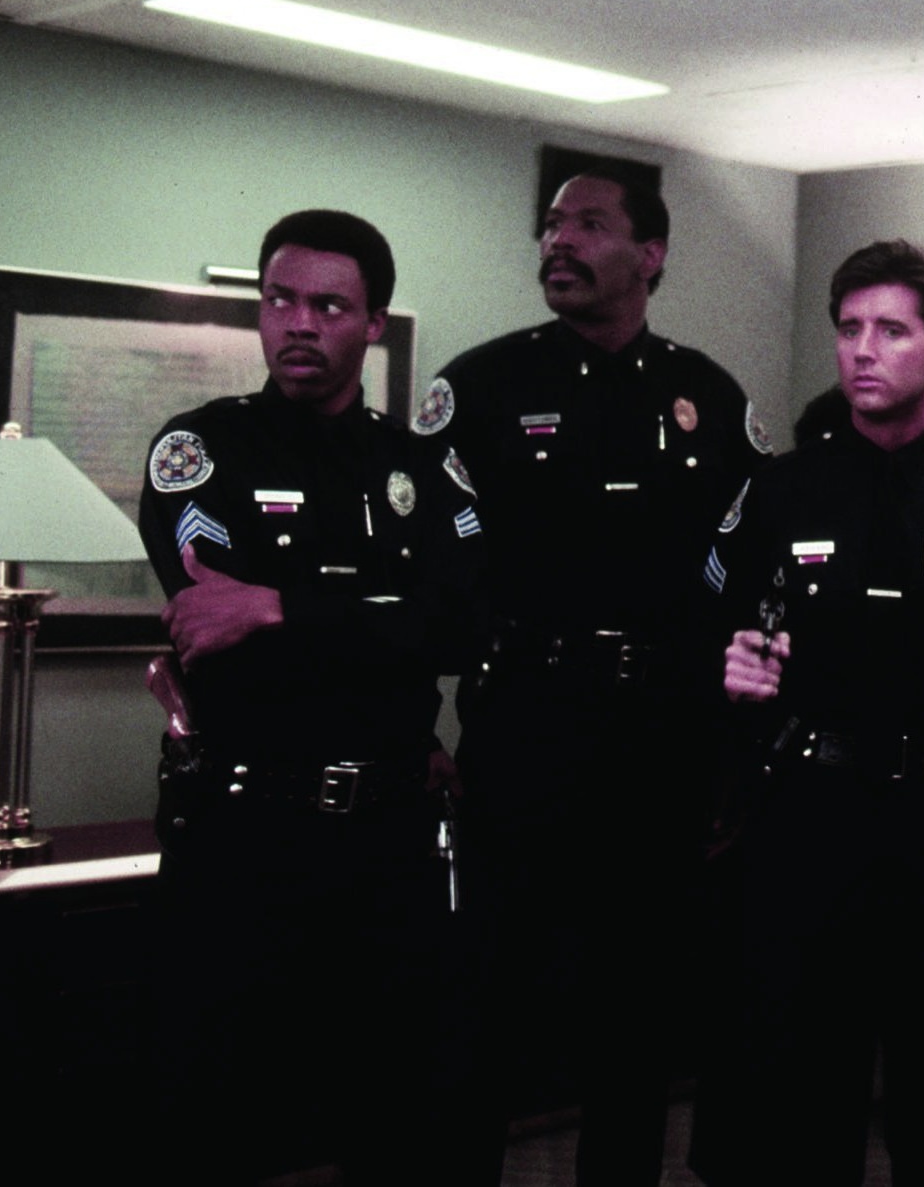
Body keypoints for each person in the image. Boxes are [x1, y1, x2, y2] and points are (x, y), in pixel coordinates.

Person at [415, 162, 768, 1183]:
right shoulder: (480, 387)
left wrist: (725, 746)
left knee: (634, 1018)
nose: (558, 241)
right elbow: (435, 558)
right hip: (524, 729)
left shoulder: (705, 395)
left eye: (590, 224)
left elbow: (739, 571)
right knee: (484, 1005)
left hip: (660, 742)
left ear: (649, 255)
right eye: (553, 224)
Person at [688, 239, 924, 1186]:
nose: (862, 349)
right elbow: (708, 630)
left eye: (890, 330)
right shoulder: (781, 490)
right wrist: (727, 668)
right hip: (812, 821)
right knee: (800, 1103)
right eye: (849, 328)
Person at [137, 209, 480, 1183]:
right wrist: (377, 619)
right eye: (280, 299)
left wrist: (280, 605)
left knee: (389, 1111)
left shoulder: (417, 466)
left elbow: (465, 625)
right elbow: (215, 625)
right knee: (215, 1113)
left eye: (328, 305)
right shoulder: (202, 450)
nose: (298, 322)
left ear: (372, 323)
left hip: (384, 835)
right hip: (245, 829)